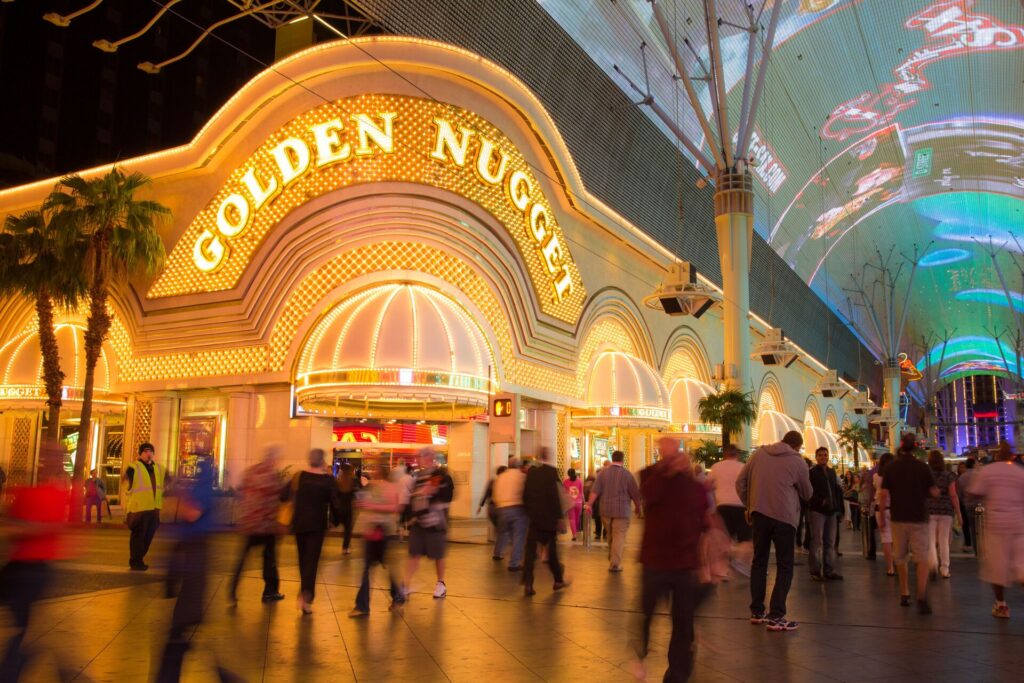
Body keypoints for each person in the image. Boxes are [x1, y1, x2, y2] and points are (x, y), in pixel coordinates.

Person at [633, 437, 709, 683]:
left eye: (675, 453)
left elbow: (704, 517)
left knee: (683, 621)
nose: (674, 458)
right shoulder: (651, 477)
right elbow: (647, 493)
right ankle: (641, 653)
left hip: (684, 562)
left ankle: (677, 673)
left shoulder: (694, 486)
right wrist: (666, 469)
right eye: (666, 453)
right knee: (646, 613)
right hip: (655, 560)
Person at [156, 460, 238, 682]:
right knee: (184, 630)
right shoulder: (204, 489)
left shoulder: (200, 490)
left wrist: (180, 497)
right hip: (193, 556)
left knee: (182, 628)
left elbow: (192, 514)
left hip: (194, 555)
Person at [0, 442, 72, 681]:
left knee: (26, 627)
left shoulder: (57, 493)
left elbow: (52, 526)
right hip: (19, 566)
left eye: (53, 456)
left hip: (34, 567)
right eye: (45, 455)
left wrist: (22, 527)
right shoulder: (29, 491)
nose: (47, 460)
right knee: (27, 626)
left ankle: (13, 670)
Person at [736, 430, 813, 632]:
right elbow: (808, 493)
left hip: (759, 515)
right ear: (797, 446)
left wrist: (750, 505)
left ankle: (757, 612)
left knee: (759, 562)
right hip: (785, 518)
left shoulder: (759, 454)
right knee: (785, 565)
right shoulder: (797, 461)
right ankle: (776, 615)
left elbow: (740, 482)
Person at [878, 435, 939, 614]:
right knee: (921, 558)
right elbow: (934, 492)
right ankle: (921, 594)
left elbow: (882, 494)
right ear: (915, 448)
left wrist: (882, 516)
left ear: (901, 447)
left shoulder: (891, 467)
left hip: (898, 517)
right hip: (919, 517)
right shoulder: (923, 468)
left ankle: (904, 592)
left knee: (900, 556)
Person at [968, 442, 1024, 618]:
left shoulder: (988, 471)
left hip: (996, 525)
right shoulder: (1019, 472)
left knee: (997, 568)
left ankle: (1001, 606)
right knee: (1021, 565)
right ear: (1012, 455)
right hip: (1018, 524)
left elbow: (973, 492)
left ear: (997, 454)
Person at [284, 448, 342, 614]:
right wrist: (336, 521)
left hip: (300, 524)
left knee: (303, 560)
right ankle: (306, 597)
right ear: (322, 461)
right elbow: (336, 503)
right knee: (312, 561)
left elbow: (283, 495)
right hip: (317, 525)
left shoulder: (298, 477)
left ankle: (304, 593)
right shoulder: (328, 480)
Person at [228, 444, 284, 604]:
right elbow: (274, 501)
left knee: (242, 558)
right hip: (266, 526)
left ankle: (232, 591)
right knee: (269, 559)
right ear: (274, 459)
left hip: (250, 523)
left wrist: (246, 513)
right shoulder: (272, 475)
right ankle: (270, 591)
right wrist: (277, 523)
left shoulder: (250, 471)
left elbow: (240, 493)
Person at [350, 464, 405, 617]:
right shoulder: (373, 486)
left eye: (376, 468)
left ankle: (364, 605)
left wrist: (371, 505)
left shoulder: (390, 487)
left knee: (376, 569)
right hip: (373, 532)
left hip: (384, 533)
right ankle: (394, 598)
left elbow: (395, 507)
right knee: (372, 569)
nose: (374, 471)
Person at [404, 448, 454, 600]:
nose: (421, 459)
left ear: (432, 457)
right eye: (420, 456)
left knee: (438, 555)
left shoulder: (440, 475)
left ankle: (440, 584)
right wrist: (410, 516)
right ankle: (405, 585)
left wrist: (422, 494)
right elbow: (415, 497)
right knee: (414, 554)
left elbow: (431, 492)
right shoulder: (418, 477)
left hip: (436, 522)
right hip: (419, 522)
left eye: (424, 456)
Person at [522, 448, 569, 596]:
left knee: (530, 553)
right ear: (549, 456)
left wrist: (529, 513)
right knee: (552, 553)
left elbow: (525, 495)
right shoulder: (552, 472)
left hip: (535, 519)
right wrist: (560, 517)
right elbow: (555, 497)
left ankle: (528, 583)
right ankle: (557, 580)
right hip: (549, 520)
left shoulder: (531, 473)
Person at [586, 450, 641, 572]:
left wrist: (589, 504)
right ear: (622, 460)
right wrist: (638, 507)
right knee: (619, 536)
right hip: (622, 511)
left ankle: (613, 557)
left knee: (611, 535)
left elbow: (595, 491)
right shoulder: (627, 474)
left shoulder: (602, 474)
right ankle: (615, 562)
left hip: (605, 510)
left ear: (613, 458)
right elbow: (635, 494)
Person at [124, 442, 168, 571]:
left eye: (150, 451)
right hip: (139, 509)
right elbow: (127, 481)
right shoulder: (133, 467)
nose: (148, 454)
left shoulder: (159, 468)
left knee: (148, 537)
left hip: (154, 510)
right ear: (140, 454)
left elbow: (168, 481)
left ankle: (139, 558)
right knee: (138, 537)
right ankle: (136, 561)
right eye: (145, 451)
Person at [708, 444, 751, 574]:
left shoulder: (716, 467)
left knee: (724, 538)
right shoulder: (743, 467)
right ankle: (740, 562)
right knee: (745, 538)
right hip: (740, 506)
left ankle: (723, 569)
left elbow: (709, 486)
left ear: (724, 454)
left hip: (722, 506)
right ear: (737, 454)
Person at [807, 447, 844, 581]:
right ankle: (815, 570)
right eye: (821, 455)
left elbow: (836, 491)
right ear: (816, 457)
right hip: (818, 511)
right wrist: (821, 502)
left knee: (830, 542)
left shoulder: (831, 472)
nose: (823, 457)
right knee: (817, 541)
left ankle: (829, 570)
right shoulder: (811, 473)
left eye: (825, 455)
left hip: (831, 512)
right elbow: (808, 492)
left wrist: (838, 508)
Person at [926, 450, 962, 579]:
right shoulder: (949, 475)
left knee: (930, 540)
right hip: (946, 511)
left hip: (929, 511)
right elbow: (953, 495)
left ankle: (933, 564)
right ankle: (945, 568)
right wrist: (958, 512)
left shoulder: (926, 475)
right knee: (944, 540)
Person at [492, 458, 528, 570]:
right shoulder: (521, 476)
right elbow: (525, 493)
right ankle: (514, 563)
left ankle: (497, 553)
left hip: (501, 508)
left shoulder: (501, 477)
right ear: (519, 466)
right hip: (517, 508)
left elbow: (495, 493)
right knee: (518, 536)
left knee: (502, 533)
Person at [874, 453, 896, 575]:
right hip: (895, 509)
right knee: (897, 538)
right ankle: (899, 563)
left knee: (886, 538)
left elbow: (876, 490)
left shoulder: (876, 476)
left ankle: (890, 567)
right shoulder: (897, 476)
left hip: (880, 509)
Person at [958, 457, 978, 553]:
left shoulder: (962, 477)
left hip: (966, 505)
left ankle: (970, 544)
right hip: (979, 505)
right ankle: (980, 545)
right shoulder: (980, 475)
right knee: (980, 526)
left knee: (968, 526)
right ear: (974, 464)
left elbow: (959, 493)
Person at [477, 465, 505, 531]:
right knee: (501, 528)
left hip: (492, 508)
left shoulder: (492, 482)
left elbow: (486, 494)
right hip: (500, 507)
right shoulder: (504, 482)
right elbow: (486, 494)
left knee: (498, 527)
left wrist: (480, 506)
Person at [336, 463, 356, 555]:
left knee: (344, 528)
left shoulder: (338, 482)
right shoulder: (352, 482)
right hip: (348, 509)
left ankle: (347, 545)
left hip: (340, 509)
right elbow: (355, 496)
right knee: (348, 529)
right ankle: (345, 547)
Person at [563, 468, 584, 541]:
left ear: (568, 474)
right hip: (579, 503)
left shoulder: (565, 482)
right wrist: (583, 501)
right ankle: (576, 529)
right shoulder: (580, 481)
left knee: (572, 519)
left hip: (570, 503)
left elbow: (564, 493)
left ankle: (574, 534)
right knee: (577, 518)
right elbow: (581, 492)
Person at [583, 471, 600, 540]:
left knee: (597, 518)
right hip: (598, 502)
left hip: (591, 503)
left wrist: (587, 502)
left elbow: (585, 492)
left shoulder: (586, 483)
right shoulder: (596, 483)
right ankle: (603, 533)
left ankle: (598, 533)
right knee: (599, 518)